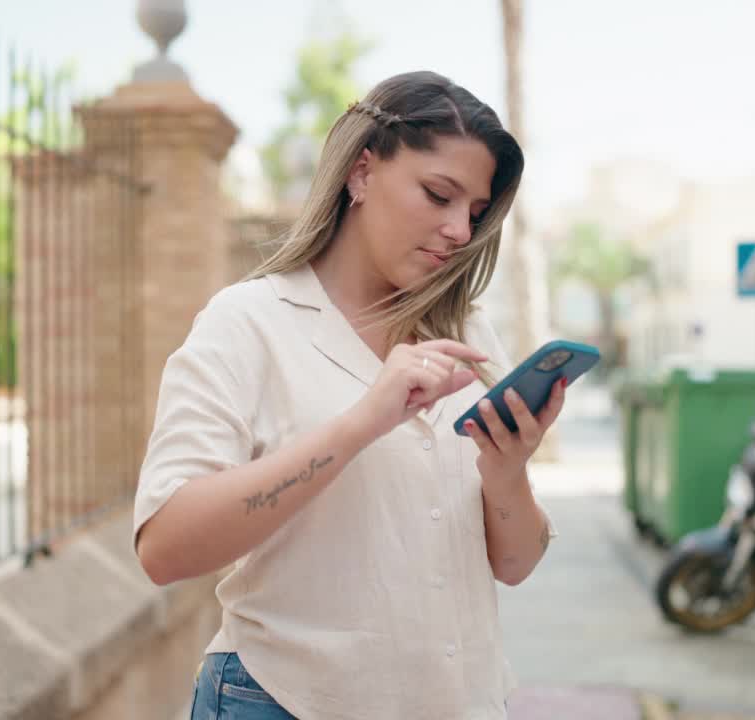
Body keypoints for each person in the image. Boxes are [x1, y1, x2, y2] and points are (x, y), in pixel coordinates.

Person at [133, 70, 564, 720]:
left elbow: (516, 565)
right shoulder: (249, 322)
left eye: (474, 213)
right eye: (438, 194)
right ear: (361, 172)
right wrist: (363, 421)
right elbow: (165, 549)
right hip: (286, 702)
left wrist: (507, 472)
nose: (457, 231)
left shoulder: (469, 332)